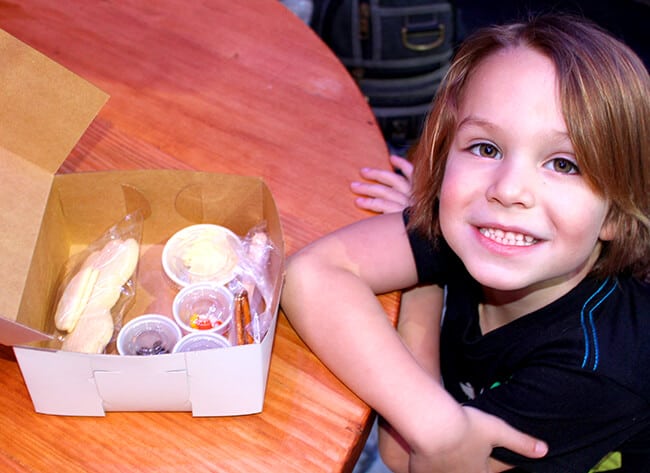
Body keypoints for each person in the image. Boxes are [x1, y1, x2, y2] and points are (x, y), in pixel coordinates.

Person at [281, 13, 650, 473]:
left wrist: (421, 287)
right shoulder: (484, 226)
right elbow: (307, 276)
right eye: (486, 149)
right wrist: (441, 424)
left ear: (615, 214)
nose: (507, 190)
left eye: (563, 164)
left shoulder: (596, 369)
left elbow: (409, 459)